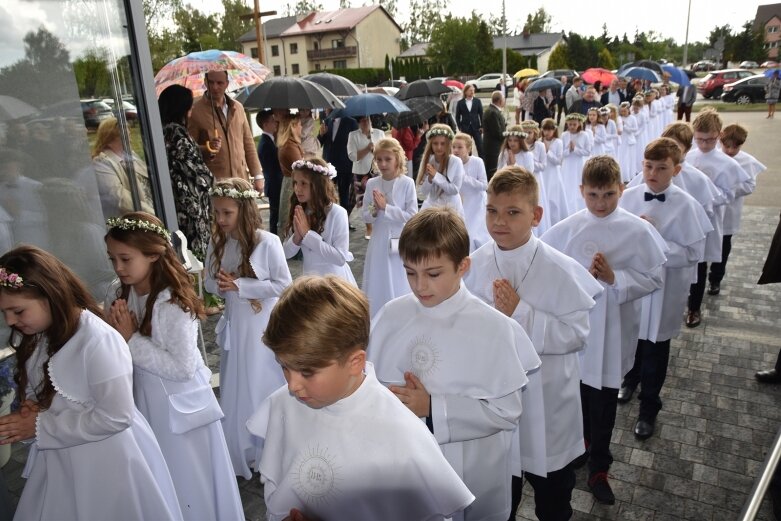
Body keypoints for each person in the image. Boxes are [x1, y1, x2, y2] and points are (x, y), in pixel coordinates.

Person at [246, 276, 475, 521]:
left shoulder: (401, 436)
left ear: (355, 362)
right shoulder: (285, 404)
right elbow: (279, 489)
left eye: (307, 372)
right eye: (284, 367)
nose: (292, 386)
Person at [367, 207, 530, 521]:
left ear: (463, 267)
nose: (419, 286)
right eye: (410, 272)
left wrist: (433, 407)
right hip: (406, 462)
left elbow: (507, 410)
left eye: (433, 274)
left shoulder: (492, 328)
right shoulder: (391, 315)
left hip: (469, 465)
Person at [0, 245, 183, 520]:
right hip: (64, 461)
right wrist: (35, 409)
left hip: (107, 464)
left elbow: (116, 417)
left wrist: (39, 424)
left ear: (49, 295)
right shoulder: (41, 335)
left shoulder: (98, 341)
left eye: (18, 311)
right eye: (4, 313)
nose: (10, 321)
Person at [465, 167, 602, 521]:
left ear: (536, 215)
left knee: (554, 503)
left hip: (548, 402)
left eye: (513, 212)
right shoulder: (475, 264)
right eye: (492, 210)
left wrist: (521, 312)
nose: (499, 221)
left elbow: (577, 334)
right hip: (497, 401)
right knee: (500, 502)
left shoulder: (558, 267)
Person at [542, 155, 666, 505]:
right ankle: (579, 445)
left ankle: (600, 464)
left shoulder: (637, 229)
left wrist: (615, 278)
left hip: (612, 330)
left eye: (609, 195)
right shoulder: (567, 228)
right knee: (577, 394)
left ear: (621, 190)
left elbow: (654, 277)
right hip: (577, 330)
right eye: (593, 195)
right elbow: (550, 272)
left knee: (605, 400)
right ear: (581, 191)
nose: (601, 203)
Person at [104, 213, 244, 519]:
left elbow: (182, 367)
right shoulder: (120, 293)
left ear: (153, 255)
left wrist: (129, 339)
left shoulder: (172, 304)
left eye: (125, 259)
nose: (118, 267)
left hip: (179, 409)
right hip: (145, 400)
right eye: (112, 258)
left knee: (187, 479)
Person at [619, 138, 711, 441]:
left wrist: (655, 240)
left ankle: (649, 408)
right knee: (633, 339)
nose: (653, 173)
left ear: (677, 169)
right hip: (635, 285)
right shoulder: (628, 197)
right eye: (648, 166)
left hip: (664, 288)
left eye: (661, 167)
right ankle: (629, 380)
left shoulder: (686, 205)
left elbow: (692, 253)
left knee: (656, 348)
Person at [205, 177, 292, 478]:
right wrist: (218, 283)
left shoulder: (267, 242)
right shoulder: (217, 242)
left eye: (227, 213)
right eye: (216, 212)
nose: (220, 219)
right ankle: (243, 446)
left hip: (260, 326)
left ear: (243, 209)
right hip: (234, 326)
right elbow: (207, 280)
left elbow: (284, 285)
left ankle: (270, 447)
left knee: (259, 380)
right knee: (237, 381)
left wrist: (241, 284)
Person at [685, 109, 753, 328]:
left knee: (702, 262)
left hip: (709, 218)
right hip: (686, 217)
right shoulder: (688, 156)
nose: (704, 145)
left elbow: (730, 192)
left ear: (719, 135)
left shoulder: (727, 163)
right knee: (685, 259)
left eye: (710, 140)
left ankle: (694, 307)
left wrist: (709, 194)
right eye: (700, 139)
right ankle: (682, 297)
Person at [361, 138, 418, 318]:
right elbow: (365, 215)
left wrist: (387, 208)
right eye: (379, 160)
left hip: (400, 238)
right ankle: (378, 315)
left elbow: (412, 216)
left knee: (398, 275)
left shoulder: (407, 183)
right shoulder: (372, 184)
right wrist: (375, 210)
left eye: (387, 159)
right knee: (379, 276)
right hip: (379, 238)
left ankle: (401, 314)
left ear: (397, 159)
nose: (383, 164)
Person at [708, 125, 767, 295]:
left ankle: (716, 278)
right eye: (727, 146)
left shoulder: (746, 161)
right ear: (720, 140)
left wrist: (729, 188)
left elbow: (749, 186)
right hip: (711, 210)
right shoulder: (713, 156)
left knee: (724, 245)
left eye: (735, 147)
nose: (731, 150)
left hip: (730, 210)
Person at [158, 84, 214, 259]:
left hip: (179, 200)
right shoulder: (176, 131)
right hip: (189, 204)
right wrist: (210, 180)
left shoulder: (165, 131)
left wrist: (202, 149)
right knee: (195, 254)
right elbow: (192, 169)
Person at [283, 158, 356, 284]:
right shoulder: (301, 211)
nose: (297, 189)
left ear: (318, 184)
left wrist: (307, 234)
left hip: (334, 283)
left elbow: (340, 258)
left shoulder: (337, 213)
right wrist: (297, 237)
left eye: (303, 183)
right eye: (295, 183)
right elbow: (286, 253)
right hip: (310, 282)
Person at [188, 70, 262, 188]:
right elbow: (189, 148)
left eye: (219, 83)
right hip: (215, 183)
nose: (215, 87)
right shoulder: (195, 111)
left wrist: (257, 175)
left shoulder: (238, 107)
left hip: (241, 180)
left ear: (227, 83)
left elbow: (248, 143)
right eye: (211, 82)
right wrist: (208, 148)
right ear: (205, 82)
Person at [91, 117, 155, 218]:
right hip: (135, 221)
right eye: (125, 136)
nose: (130, 139)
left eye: (129, 134)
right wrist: (152, 213)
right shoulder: (101, 163)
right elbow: (120, 198)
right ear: (109, 140)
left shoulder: (131, 155)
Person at [347, 116, 385, 240]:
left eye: (367, 120)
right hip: (360, 172)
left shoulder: (379, 133)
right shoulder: (353, 135)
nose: (366, 122)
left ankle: (377, 223)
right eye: (363, 120)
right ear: (359, 123)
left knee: (377, 197)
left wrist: (376, 150)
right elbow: (352, 156)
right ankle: (369, 227)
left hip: (377, 171)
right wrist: (367, 149)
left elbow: (385, 151)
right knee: (363, 200)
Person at [417, 124, 465, 217]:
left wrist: (436, 176)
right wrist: (429, 180)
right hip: (432, 207)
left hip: (451, 209)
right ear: (431, 144)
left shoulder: (456, 162)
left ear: (448, 144)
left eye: (443, 143)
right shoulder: (428, 160)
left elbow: (454, 190)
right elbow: (422, 193)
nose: (439, 147)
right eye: (435, 143)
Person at [452, 132, 490, 251]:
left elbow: (484, 185)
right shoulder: (451, 163)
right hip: (460, 203)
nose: (456, 150)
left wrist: (464, 178)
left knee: (473, 234)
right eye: (453, 147)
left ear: (468, 149)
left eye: (459, 147)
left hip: (476, 203)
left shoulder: (477, 162)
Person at [318, 113, 359, 220]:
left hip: (345, 165)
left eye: (329, 108)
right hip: (328, 166)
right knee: (326, 193)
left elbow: (356, 143)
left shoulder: (351, 122)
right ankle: (326, 219)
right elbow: (319, 143)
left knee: (344, 194)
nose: (327, 110)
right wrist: (321, 134)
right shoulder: (327, 121)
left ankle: (344, 221)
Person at [256, 110, 283, 236]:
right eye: (272, 121)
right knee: (275, 216)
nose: (275, 123)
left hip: (276, 183)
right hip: (274, 184)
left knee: (276, 214)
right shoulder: (265, 143)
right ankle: (275, 238)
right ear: (265, 124)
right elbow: (273, 167)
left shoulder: (270, 140)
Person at [276, 113, 304, 235]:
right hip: (291, 185)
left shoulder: (290, 144)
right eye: (299, 125)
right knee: (288, 218)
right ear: (292, 127)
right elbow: (300, 168)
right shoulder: (289, 146)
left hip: (290, 182)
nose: (301, 127)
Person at [540, 118, 570, 225]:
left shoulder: (558, 142)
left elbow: (558, 161)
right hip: (543, 174)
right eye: (545, 130)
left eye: (550, 130)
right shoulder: (539, 142)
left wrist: (548, 152)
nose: (547, 132)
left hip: (553, 174)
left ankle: (554, 221)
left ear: (554, 130)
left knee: (553, 198)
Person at [561, 113, 592, 213]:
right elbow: (561, 153)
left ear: (579, 124)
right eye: (570, 124)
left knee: (578, 182)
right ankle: (567, 206)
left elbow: (587, 151)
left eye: (574, 124)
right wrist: (568, 150)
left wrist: (575, 149)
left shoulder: (584, 135)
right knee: (568, 183)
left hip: (579, 163)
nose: (572, 127)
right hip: (568, 163)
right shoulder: (564, 135)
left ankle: (579, 206)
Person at [483, 90, 507, 180]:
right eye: (504, 99)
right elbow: (497, 132)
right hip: (492, 147)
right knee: (492, 169)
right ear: (500, 101)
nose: (504, 101)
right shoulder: (493, 112)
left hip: (492, 146)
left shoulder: (493, 110)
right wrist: (507, 135)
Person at [455, 84, 484, 157]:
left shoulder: (477, 101)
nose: (472, 92)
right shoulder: (460, 103)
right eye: (470, 90)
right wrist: (460, 127)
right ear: (465, 92)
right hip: (465, 128)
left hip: (476, 128)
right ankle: (468, 161)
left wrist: (482, 126)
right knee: (467, 147)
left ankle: (482, 162)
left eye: (473, 90)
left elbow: (481, 114)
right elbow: (457, 116)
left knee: (480, 146)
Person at [618, 102, 639, 182]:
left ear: (628, 110)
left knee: (628, 158)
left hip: (629, 140)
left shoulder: (632, 118)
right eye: (622, 111)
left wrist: (625, 126)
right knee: (622, 157)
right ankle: (622, 175)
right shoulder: (619, 118)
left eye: (625, 111)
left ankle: (629, 175)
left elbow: (635, 129)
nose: (623, 113)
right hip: (622, 140)